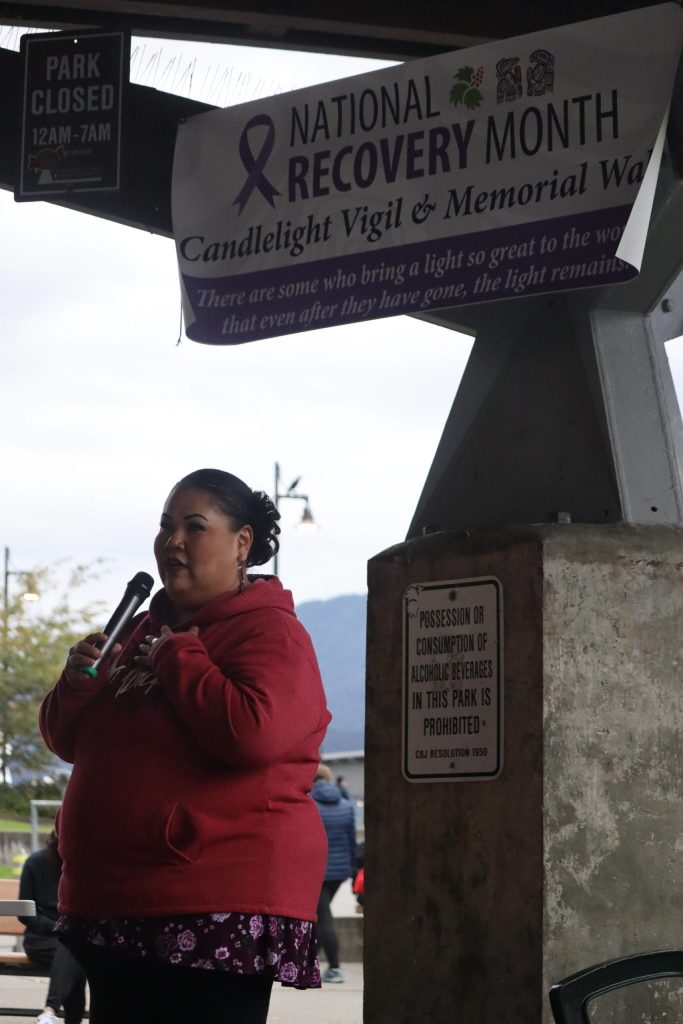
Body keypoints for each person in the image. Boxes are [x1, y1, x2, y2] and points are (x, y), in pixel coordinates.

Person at [39, 468, 331, 1024]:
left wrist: (180, 657)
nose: (172, 541)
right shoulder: (136, 631)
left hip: (209, 904)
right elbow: (66, 741)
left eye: (194, 527)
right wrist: (76, 685)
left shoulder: (270, 632)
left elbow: (255, 732)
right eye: (165, 526)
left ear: (242, 542)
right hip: (112, 901)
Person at [18, 831, 87, 1024]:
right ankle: (56, 1012)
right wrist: (59, 927)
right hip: (40, 940)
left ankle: (49, 1011)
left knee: (72, 950)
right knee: (73, 949)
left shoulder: (80, 867)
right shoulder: (34, 864)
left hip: (69, 940)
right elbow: (25, 914)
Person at [312, 764, 357, 984]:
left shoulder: (309, 804)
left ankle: (335, 968)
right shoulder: (346, 806)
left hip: (317, 870)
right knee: (319, 915)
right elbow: (351, 841)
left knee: (323, 918)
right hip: (339, 871)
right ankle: (308, 961)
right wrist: (351, 870)